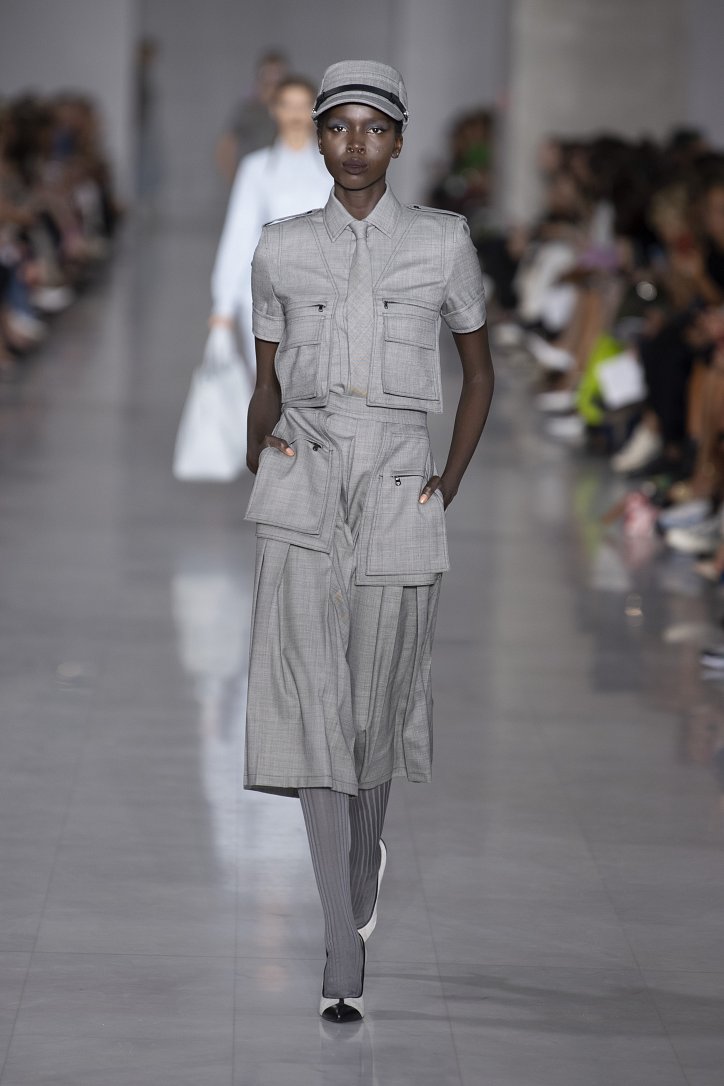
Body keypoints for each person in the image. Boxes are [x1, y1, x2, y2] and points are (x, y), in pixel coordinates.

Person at [243, 60, 494, 1023]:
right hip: (303, 474)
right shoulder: (281, 247)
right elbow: (265, 376)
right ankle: (340, 938)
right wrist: (258, 448)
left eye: (373, 128)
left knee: (375, 698)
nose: (355, 144)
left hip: (397, 477)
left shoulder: (442, 242)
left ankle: (359, 866)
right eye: (339, 126)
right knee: (311, 695)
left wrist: (449, 482)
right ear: (319, 138)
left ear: (397, 139)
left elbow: (479, 371)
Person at [209, 75, 331, 372]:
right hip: (265, 297)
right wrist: (222, 308)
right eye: (287, 105)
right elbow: (239, 235)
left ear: (315, 111)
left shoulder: (332, 169)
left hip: (323, 296)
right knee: (269, 385)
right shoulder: (256, 168)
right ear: (274, 110)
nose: (295, 114)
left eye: (303, 105)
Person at [214, 50, 289, 185]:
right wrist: (235, 180)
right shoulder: (247, 109)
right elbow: (226, 147)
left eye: (277, 73)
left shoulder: (292, 108)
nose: (273, 78)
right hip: (254, 176)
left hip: (285, 176)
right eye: (268, 72)